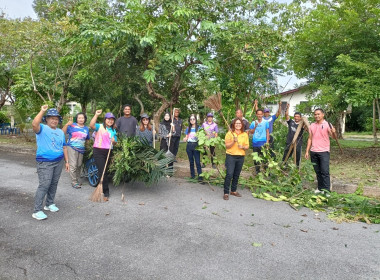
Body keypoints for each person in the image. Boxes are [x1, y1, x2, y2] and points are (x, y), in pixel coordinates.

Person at [31, 105, 70, 220]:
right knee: (44, 184)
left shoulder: (60, 132)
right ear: (47, 119)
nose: (54, 120)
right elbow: (34, 124)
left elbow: (64, 147)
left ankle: (49, 204)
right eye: (51, 118)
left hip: (59, 161)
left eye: (56, 118)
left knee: (54, 183)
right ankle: (37, 210)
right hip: (45, 162)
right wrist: (42, 110)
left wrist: (67, 162)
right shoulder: (42, 128)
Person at [305, 108, 335, 194]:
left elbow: (333, 136)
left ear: (323, 115)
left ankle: (327, 190)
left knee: (324, 171)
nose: (317, 116)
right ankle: (320, 188)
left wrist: (333, 132)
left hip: (324, 151)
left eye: (318, 114)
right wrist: (307, 151)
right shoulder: (312, 125)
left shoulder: (327, 124)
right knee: (317, 171)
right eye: (315, 114)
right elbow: (310, 138)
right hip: (313, 151)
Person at [89, 110, 117, 201]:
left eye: (112, 119)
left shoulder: (113, 130)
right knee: (102, 171)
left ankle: (100, 185)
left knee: (105, 170)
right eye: (108, 119)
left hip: (109, 151)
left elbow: (115, 142)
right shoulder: (99, 126)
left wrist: (114, 141)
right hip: (98, 150)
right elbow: (91, 125)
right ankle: (106, 191)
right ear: (105, 120)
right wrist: (96, 115)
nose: (110, 121)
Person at [223, 118, 249, 200]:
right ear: (234, 124)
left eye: (239, 123)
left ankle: (233, 191)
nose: (238, 125)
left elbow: (247, 146)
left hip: (241, 156)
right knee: (229, 174)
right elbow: (227, 146)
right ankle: (226, 192)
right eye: (236, 123)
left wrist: (243, 147)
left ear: (242, 125)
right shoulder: (230, 133)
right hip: (231, 156)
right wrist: (233, 141)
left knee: (236, 174)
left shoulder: (244, 134)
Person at [62, 113, 90, 189]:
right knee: (73, 165)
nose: (81, 119)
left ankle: (76, 180)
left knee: (79, 165)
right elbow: (62, 132)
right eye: (79, 118)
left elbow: (87, 139)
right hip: (72, 147)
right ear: (76, 119)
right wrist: (67, 124)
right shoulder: (72, 125)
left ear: (85, 119)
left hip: (81, 149)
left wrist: (88, 148)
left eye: (82, 118)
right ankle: (74, 182)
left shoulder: (86, 128)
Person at [249, 109, 270, 174]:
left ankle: (266, 171)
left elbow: (267, 132)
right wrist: (255, 126)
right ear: (256, 115)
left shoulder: (265, 122)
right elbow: (251, 132)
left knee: (265, 158)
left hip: (263, 142)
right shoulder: (253, 122)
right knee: (256, 158)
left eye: (261, 114)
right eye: (258, 114)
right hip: (255, 142)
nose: (259, 115)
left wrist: (267, 142)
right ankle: (257, 171)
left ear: (262, 114)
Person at [183, 114, 202, 181]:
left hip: (196, 146)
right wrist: (184, 139)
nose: (192, 120)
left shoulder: (199, 128)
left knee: (197, 162)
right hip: (189, 146)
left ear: (195, 120)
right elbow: (186, 137)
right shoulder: (188, 128)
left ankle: (200, 177)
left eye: (193, 119)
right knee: (191, 162)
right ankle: (192, 175)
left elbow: (201, 137)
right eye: (191, 119)